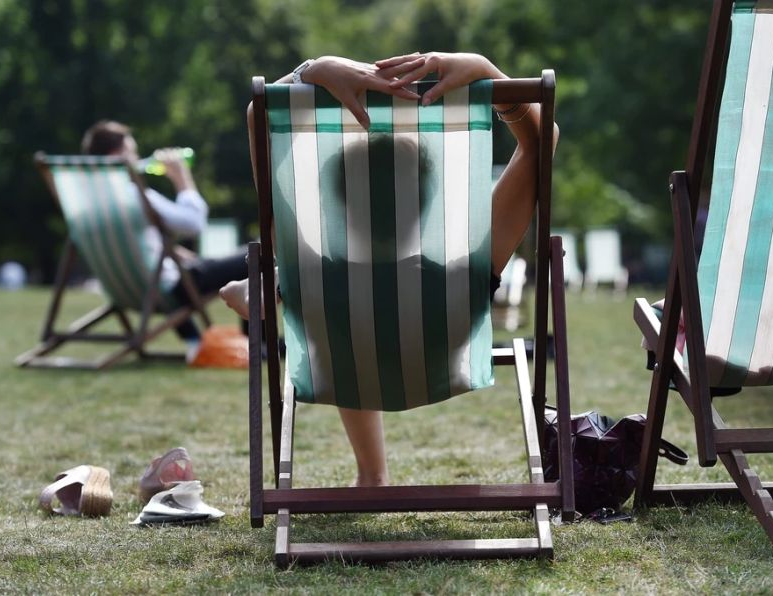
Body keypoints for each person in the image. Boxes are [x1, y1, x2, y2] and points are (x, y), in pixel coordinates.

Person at [220, 52, 557, 487]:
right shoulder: (471, 265)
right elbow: (541, 142)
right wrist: (484, 70)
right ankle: (371, 470)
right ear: (429, 201)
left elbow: (259, 114)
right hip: (438, 355)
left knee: (340, 324)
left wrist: (312, 70)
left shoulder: (313, 272)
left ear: (336, 202)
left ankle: (372, 472)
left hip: (347, 364)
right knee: (345, 313)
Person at [81, 121, 248, 359]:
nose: (138, 157)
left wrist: (176, 252)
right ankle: (258, 340)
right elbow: (194, 224)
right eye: (133, 151)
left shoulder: (89, 200)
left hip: (126, 289)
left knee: (212, 261)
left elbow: (136, 246)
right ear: (117, 155)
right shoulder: (131, 194)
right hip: (170, 288)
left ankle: (196, 339)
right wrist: (182, 178)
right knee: (257, 254)